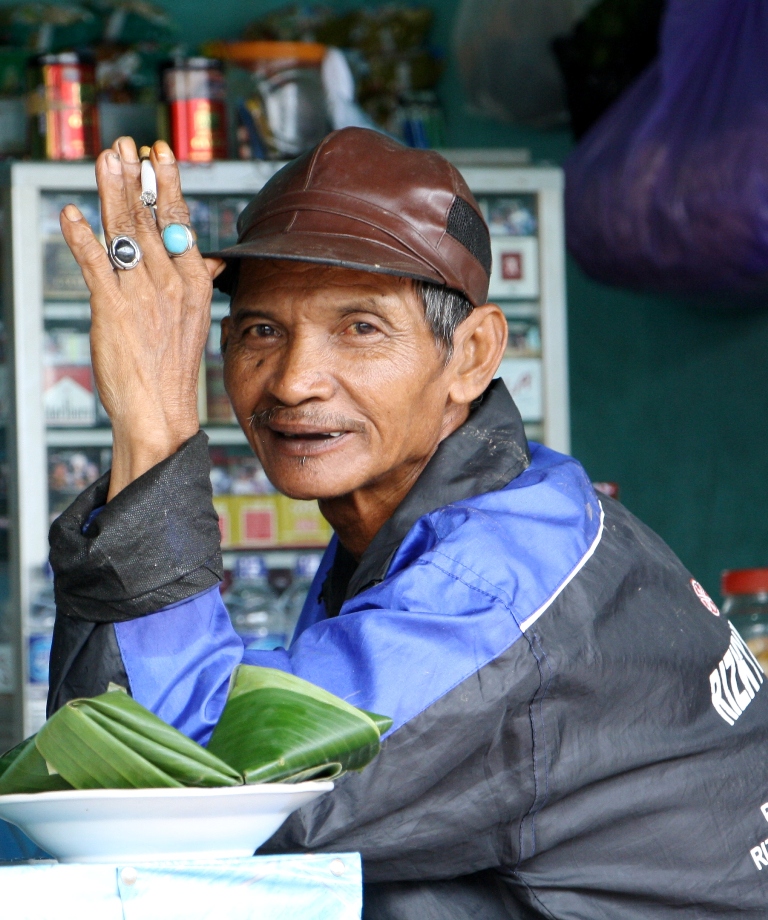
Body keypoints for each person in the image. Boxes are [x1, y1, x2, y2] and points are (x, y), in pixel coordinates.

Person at [49, 128, 768, 919]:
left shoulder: (491, 581)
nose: (292, 381)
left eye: (360, 327)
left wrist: (153, 430)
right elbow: (126, 754)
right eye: (260, 330)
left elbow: (193, 814)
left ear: (471, 355)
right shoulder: (479, 508)